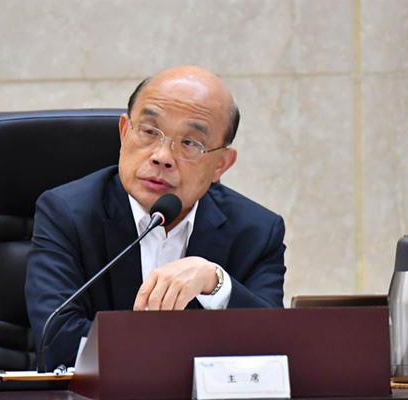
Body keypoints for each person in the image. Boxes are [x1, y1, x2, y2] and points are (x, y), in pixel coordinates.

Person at [25, 65, 286, 370]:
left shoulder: (257, 232)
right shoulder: (67, 215)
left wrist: (215, 283)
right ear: (124, 132)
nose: (162, 156)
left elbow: (272, 352)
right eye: (149, 132)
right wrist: (188, 354)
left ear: (221, 165)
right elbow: (58, 344)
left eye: (190, 143)